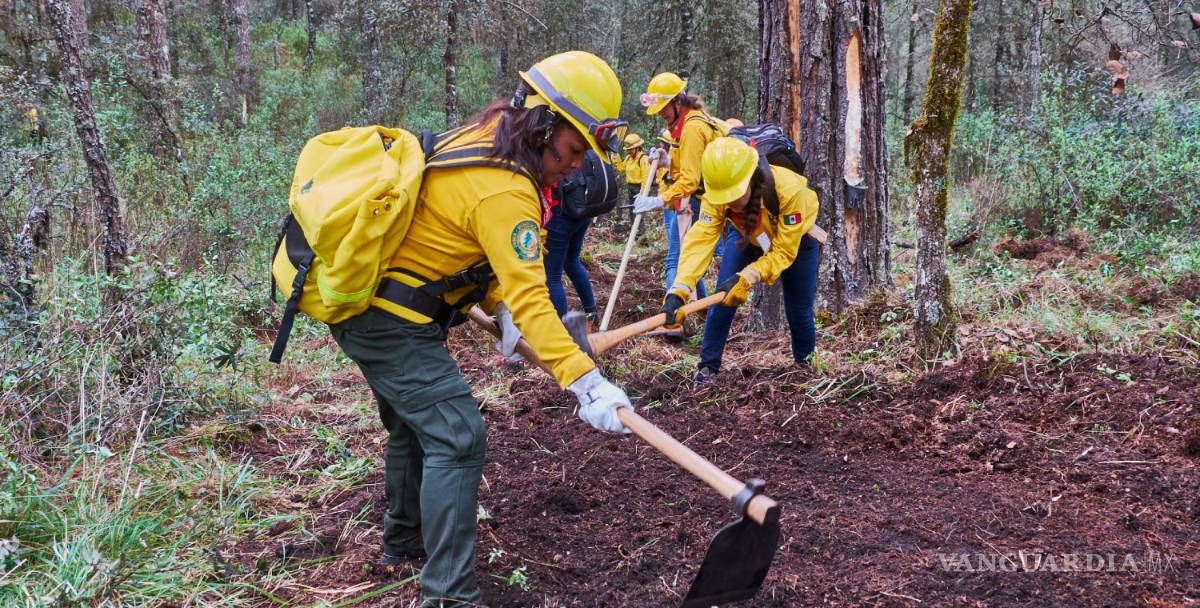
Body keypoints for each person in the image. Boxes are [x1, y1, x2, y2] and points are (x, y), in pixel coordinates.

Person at [328, 51, 634, 608]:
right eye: (571, 152)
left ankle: (403, 543)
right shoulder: (507, 189)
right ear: (544, 124)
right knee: (457, 433)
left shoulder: (488, 139)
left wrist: (504, 311)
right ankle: (448, 596)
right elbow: (531, 292)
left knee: (416, 426)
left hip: (382, 308)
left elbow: (476, 254)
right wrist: (586, 382)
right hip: (389, 320)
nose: (573, 167)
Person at [661, 137, 820, 386]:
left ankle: (805, 367)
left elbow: (782, 253)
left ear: (752, 177)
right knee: (722, 299)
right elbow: (701, 239)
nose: (729, 203)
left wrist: (749, 277)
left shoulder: (790, 191)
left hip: (796, 240)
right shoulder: (716, 194)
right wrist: (679, 289)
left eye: (735, 195)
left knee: (798, 310)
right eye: (724, 198)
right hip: (747, 235)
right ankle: (707, 369)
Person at [635, 72, 725, 299]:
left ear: (677, 101)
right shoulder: (683, 123)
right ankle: (700, 308)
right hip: (703, 199)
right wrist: (668, 160)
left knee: (677, 257)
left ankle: (675, 314)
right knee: (685, 257)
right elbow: (689, 160)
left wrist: (658, 200)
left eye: (664, 107)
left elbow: (690, 179)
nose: (661, 114)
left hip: (707, 200)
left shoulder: (692, 127)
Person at [544, 148, 617, 319]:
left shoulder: (553, 149)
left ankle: (561, 329)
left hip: (560, 213)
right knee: (571, 262)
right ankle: (592, 312)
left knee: (552, 275)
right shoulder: (580, 147)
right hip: (582, 211)